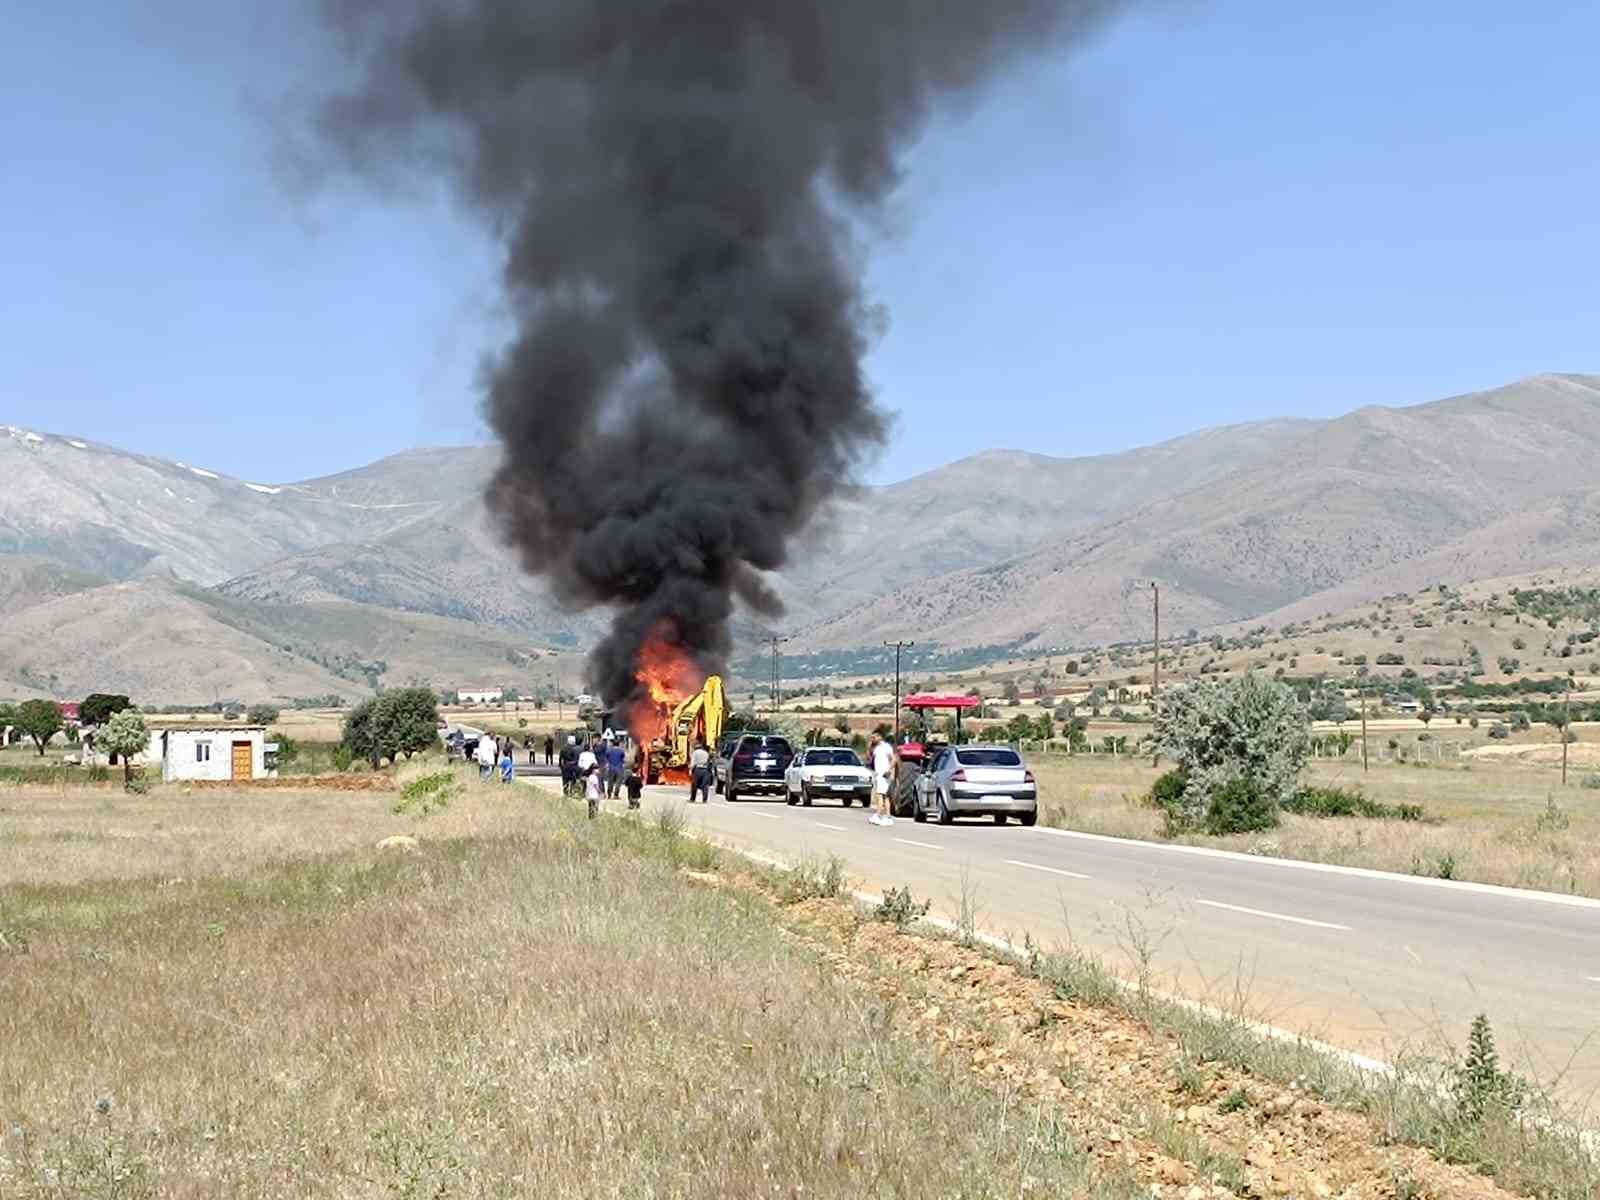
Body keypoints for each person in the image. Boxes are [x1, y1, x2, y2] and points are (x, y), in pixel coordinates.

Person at [868, 731, 897, 826]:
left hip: (884, 774)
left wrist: (889, 770)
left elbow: (893, 759)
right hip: (879, 774)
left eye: (874, 737)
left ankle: (878, 815)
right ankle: (888, 817)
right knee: (885, 796)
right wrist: (870, 746)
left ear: (880, 737)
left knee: (880, 795)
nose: (872, 739)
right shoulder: (876, 748)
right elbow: (869, 757)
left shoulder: (886, 747)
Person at [688, 738, 712, 804]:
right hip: (705, 770)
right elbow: (709, 762)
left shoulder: (695, 753)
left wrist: (690, 770)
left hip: (697, 770)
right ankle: (705, 800)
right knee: (705, 786)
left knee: (694, 785)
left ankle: (692, 799)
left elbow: (693, 762)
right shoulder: (706, 753)